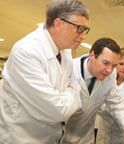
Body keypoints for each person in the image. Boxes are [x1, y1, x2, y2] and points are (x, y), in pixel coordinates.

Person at [0, 0, 90, 143]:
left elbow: (73, 89)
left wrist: (67, 94)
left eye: (86, 30)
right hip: (23, 138)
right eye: (79, 28)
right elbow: (56, 111)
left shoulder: (65, 50)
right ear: (58, 24)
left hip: (52, 137)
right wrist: (71, 91)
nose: (83, 36)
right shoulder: (26, 51)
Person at [63, 38, 124, 144]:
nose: (109, 70)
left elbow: (117, 104)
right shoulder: (68, 69)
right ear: (92, 55)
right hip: (60, 136)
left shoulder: (110, 75)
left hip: (85, 137)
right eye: (105, 63)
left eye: (114, 65)